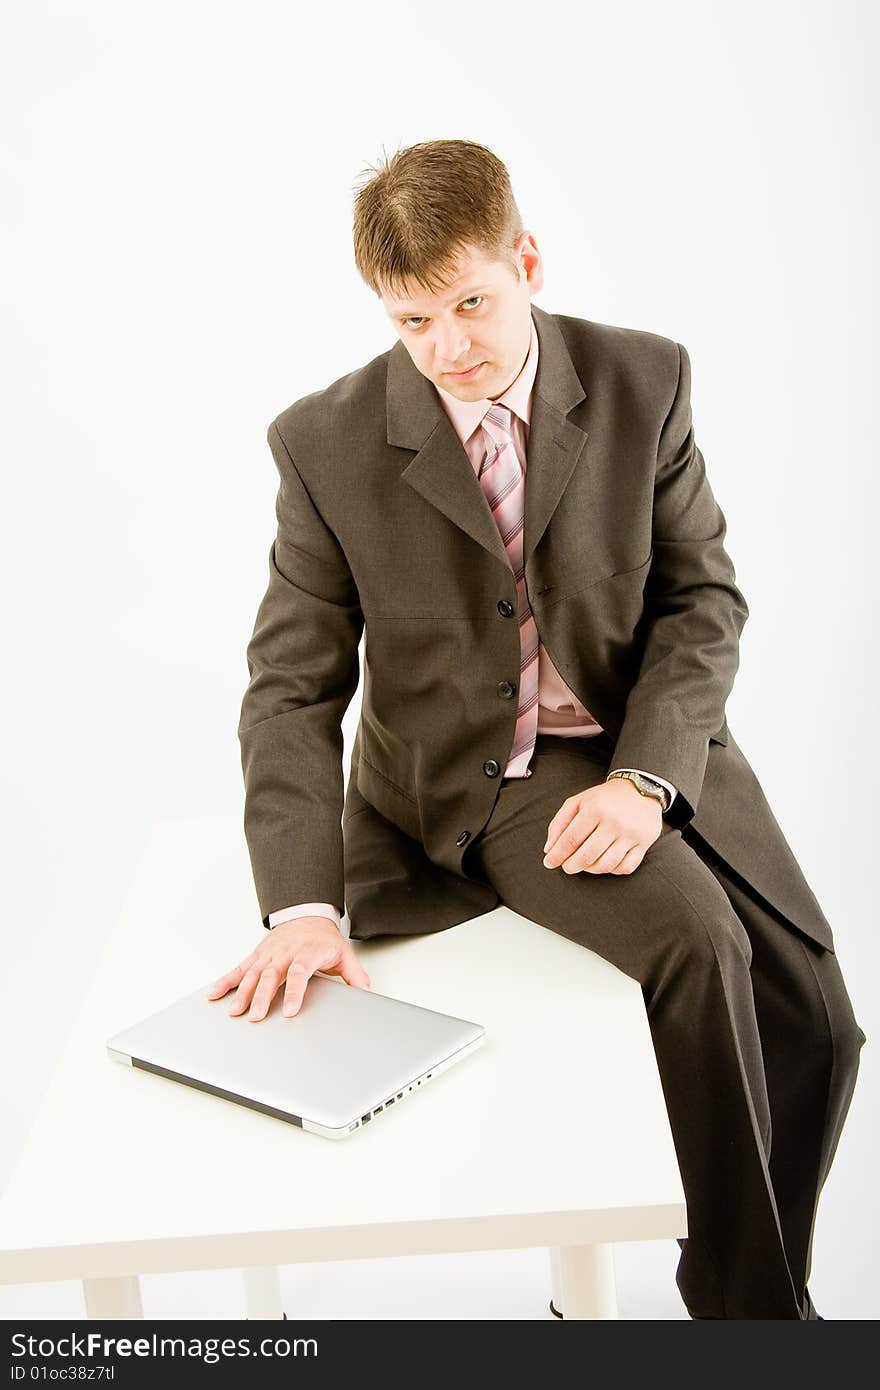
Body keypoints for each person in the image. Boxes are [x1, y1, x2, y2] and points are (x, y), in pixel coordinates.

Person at [207, 138, 866, 1319]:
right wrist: (301, 905)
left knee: (818, 1018)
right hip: (482, 774)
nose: (448, 347)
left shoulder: (641, 379)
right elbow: (289, 686)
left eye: (471, 303)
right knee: (697, 941)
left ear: (526, 260)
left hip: (645, 736)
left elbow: (700, 599)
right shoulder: (322, 443)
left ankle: (749, 1282)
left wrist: (648, 779)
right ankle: (756, 1326)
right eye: (411, 321)